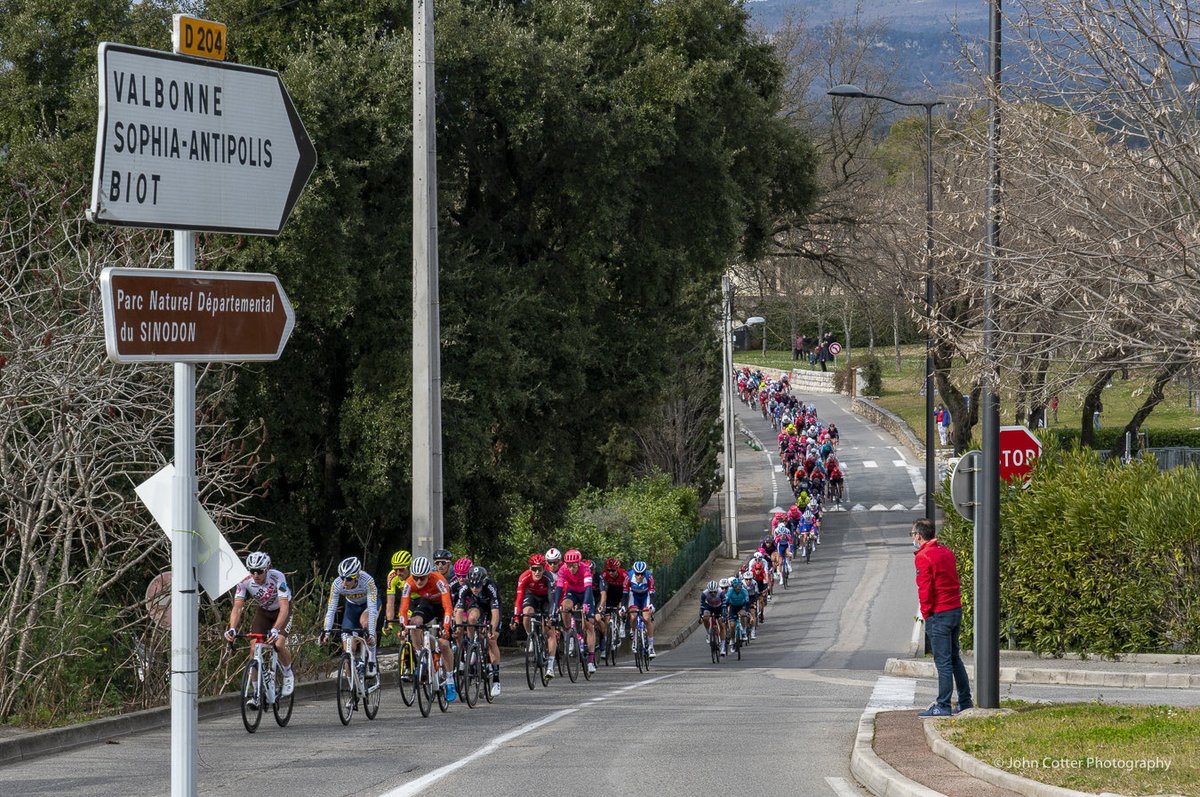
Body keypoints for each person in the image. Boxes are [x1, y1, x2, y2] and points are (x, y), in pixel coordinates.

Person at [911, 518, 972, 717]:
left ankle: (943, 705)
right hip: (955, 609)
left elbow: (925, 590)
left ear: (919, 536)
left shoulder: (924, 556)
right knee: (955, 658)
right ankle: (965, 701)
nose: (913, 538)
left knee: (943, 661)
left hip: (939, 613)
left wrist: (927, 614)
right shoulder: (946, 552)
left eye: (913, 534)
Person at [225, 551, 295, 701]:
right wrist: (232, 628)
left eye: (260, 571)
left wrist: (276, 629)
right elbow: (237, 607)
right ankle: (256, 692)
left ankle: (288, 674)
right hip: (263, 612)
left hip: (282, 611)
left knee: (279, 643)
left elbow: (284, 608)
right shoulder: (244, 580)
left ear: (267, 569)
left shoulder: (277, 577)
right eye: (252, 571)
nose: (256, 575)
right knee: (253, 648)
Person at [397, 555, 456, 701]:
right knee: (414, 623)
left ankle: (450, 681)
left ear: (428, 575)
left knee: (443, 643)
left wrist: (446, 628)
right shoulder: (409, 583)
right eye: (416, 577)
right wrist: (404, 628)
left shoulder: (439, 580)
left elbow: (448, 607)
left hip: (443, 606)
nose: (418, 581)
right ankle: (421, 656)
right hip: (428, 603)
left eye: (422, 578)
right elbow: (403, 609)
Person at [319, 556, 380, 676]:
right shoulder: (337, 584)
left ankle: (372, 659)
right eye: (342, 578)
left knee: (365, 623)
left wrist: (371, 634)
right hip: (352, 607)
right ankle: (353, 684)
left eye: (348, 579)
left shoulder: (367, 581)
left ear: (356, 577)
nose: (344, 582)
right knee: (348, 644)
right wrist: (326, 633)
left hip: (369, 605)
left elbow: (372, 610)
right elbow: (331, 610)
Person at [455, 565, 503, 695]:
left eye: (478, 586)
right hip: (477, 606)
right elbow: (459, 610)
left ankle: (496, 681)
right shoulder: (465, 586)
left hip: (492, 608)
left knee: (492, 639)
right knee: (471, 619)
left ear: (483, 582)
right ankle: (473, 645)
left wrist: (492, 629)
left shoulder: (490, 587)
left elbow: (495, 613)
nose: (474, 588)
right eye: (472, 585)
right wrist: (458, 628)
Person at [512, 553, 558, 678]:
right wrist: (516, 617)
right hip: (531, 596)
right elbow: (519, 599)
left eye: (540, 569)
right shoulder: (524, 577)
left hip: (546, 599)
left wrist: (551, 616)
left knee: (550, 631)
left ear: (544, 568)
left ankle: (550, 666)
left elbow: (552, 600)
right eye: (534, 569)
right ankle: (531, 636)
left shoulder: (549, 578)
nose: (537, 572)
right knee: (526, 614)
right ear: (530, 568)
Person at [552, 549, 597, 673]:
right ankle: (568, 633)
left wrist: (586, 605)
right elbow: (559, 589)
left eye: (574, 565)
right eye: (569, 565)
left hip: (585, 594)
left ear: (579, 563)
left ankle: (590, 660)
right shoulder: (562, 570)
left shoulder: (585, 569)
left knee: (589, 624)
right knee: (564, 607)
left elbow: (588, 588)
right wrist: (556, 606)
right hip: (572, 593)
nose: (572, 568)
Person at [622, 560, 657, 658]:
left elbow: (652, 592)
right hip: (634, 597)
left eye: (642, 574)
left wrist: (651, 605)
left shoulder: (649, 576)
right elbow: (625, 594)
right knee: (633, 617)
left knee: (646, 619)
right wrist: (624, 607)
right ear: (634, 572)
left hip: (646, 596)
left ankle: (650, 647)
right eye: (637, 574)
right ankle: (633, 636)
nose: (640, 576)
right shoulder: (628, 577)